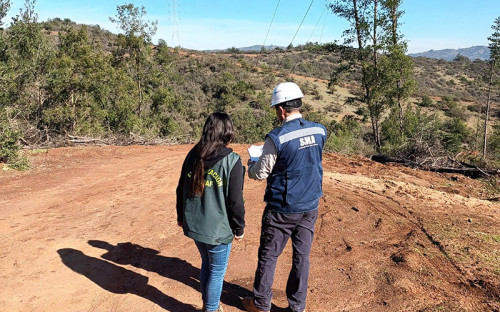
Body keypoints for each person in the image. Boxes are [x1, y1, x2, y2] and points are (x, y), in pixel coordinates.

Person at [242, 82, 326, 312]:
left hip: (282, 207)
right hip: (310, 204)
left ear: (281, 110)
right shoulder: (319, 130)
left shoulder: (276, 137)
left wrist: (251, 163)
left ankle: (261, 304)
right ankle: (297, 306)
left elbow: (260, 173)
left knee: (269, 255)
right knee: (302, 256)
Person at [176, 112, 245, 312]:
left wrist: (181, 217)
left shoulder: (193, 154)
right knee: (216, 271)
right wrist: (239, 228)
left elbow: (181, 188)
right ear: (228, 133)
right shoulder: (232, 161)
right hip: (218, 230)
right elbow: (235, 202)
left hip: (195, 225)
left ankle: (210, 306)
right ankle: (212, 309)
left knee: (207, 264)